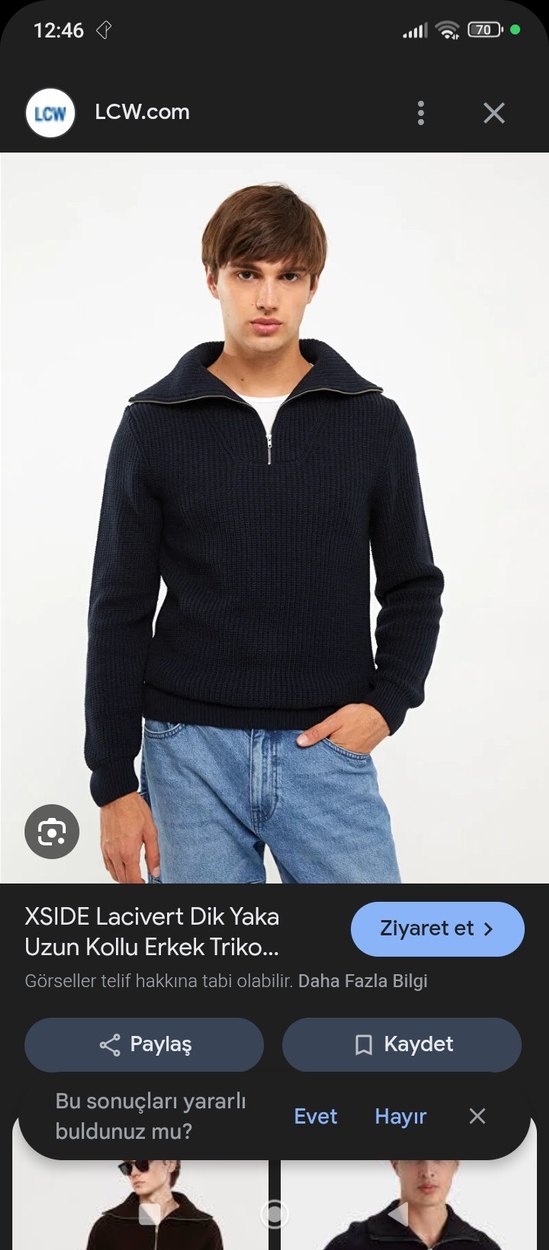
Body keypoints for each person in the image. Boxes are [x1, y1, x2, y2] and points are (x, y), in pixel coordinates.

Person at [85, 182, 444, 885]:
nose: (267, 298)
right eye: (247, 274)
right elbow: (118, 606)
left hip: (327, 748)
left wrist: (387, 704)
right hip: (187, 754)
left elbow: (412, 585)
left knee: (373, 954)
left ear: (313, 286)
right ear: (212, 279)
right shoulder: (152, 425)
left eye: (289, 276)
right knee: (213, 959)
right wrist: (113, 782)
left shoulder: (372, 422)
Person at [322, 1160, 502, 1250]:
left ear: (456, 1163)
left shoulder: (484, 1248)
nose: (427, 1171)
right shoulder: (351, 1246)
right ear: (395, 1163)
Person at [86, 1159, 223, 1249]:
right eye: (128, 1167)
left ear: (170, 1163)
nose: (134, 1173)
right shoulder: (107, 1228)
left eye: (142, 1163)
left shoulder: (204, 1229)